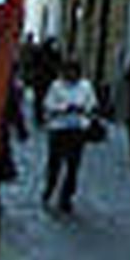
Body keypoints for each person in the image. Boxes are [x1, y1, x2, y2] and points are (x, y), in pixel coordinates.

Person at [42, 59, 98, 212]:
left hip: (77, 130)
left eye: (74, 72)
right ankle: (49, 189)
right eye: (68, 71)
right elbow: (48, 105)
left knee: (73, 166)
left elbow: (92, 105)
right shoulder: (56, 86)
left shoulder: (86, 87)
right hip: (58, 128)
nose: (71, 75)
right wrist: (63, 108)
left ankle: (66, 197)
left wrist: (83, 110)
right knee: (54, 164)